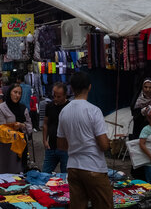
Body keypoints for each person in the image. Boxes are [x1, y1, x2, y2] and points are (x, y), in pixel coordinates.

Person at [57, 72, 112, 209]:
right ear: (89, 87)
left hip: (73, 167)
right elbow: (104, 145)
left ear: (71, 88)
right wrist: (108, 142)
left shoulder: (64, 111)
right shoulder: (93, 110)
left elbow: (61, 145)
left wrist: (77, 143)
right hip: (93, 167)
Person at [0, 84, 32, 174]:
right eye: (15, 92)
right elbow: (1, 128)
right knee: (4, 172)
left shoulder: (23, 108)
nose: (17, 95)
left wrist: (22, 125)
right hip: (6, 146)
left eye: (19, 93)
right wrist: (14, 127)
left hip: (20, 146)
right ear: (9, 93)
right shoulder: (1, 109)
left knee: (19, 173)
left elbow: (29, 127)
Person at [42, 82, 69, 174]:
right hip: (51, 147)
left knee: (65, 176)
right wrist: (45, 140)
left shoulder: (69, 107)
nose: (55, 99)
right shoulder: (49, 106)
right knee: (44, 174)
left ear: (65, 95)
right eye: (54, 96)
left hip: (65, 149)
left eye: (59, 97)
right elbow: (45, 123)